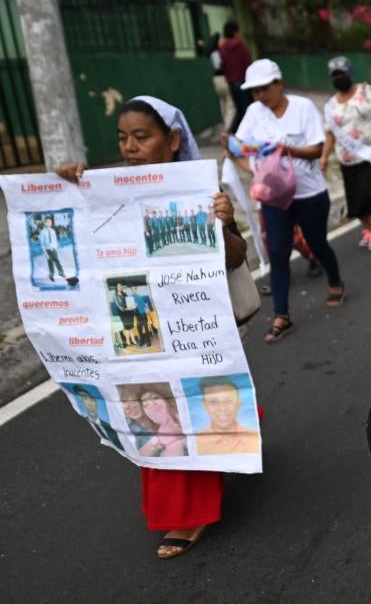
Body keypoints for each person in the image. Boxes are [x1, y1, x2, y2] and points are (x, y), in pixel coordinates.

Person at [56, 95, 248, 559]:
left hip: (192, 326)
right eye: (123, 138)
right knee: (156, 411)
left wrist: (221, 223)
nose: (130, 147)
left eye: (142, 136)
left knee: (193, 404)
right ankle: (184, 499)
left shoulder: (201, 188)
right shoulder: (103, 190)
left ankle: (191, 514)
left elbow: (236, 257)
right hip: (137, 330)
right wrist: (66, 189)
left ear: (173, 139)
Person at [228, 58, 345, 342]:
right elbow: (239, 147)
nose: (258, 96)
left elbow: (317, 149)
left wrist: (284, 150)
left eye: (263, 89)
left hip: (309, 193)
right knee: (278, 252)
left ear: (279, 83)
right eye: (253, 91)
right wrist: (245, 161)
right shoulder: (254, 112)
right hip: (273, 196)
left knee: (317, 242)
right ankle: (281, 314)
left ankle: (335, 280)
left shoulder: (302, 107)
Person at [320, 56, 371, 251]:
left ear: (350, 73)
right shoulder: (330, 106)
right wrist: (324, 158)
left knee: (369, 194)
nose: (339, 78)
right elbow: (330, 134)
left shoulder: (366, 91)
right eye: (335, 75)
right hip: (347, 160)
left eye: (342, 73)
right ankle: (367, 229)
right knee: (355, 198)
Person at [194, 376, 261, 455]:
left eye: (228, 401)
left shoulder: (254, 439)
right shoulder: (195, 442)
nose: (222, 408)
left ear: (239, 403)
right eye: (213, 402)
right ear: (204, 405)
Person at [219, 20, 253, 134]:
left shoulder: (222, 48)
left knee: (239, 110)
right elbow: (248, 63)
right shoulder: (241, 46)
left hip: (232, 84)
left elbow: (222, 65)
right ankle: (238, 132)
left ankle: (232, 132)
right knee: (247, 110)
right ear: (235, 32)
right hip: (243, 82)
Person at [75, 385, 124, 451]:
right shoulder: (90, 420)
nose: (89, 403)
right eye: (85, 398)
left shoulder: (111, 425)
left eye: (92, 399)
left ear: (96, 402)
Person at [141, 390, 188, 457]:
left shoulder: (186, 415)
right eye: (146, 405)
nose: (152, 404)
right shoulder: (157, 436)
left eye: (155, 398)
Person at [207, 32, 235, 132]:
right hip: (222, 78)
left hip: (216, 80)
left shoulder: (211, 53)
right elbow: (220, 65)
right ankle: (227, 127)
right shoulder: (218, 53)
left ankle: (225, 124)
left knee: (223, 103)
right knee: (231, 104)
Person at [39, 215, 66, 282]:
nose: (49, 223)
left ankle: (61, 272)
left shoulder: (53, 231)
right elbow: (42, 244)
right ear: (44, 223)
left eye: (50, 222)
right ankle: (51, 275)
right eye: (48, 222)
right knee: (50, 263)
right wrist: (45, 254)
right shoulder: (42, 232)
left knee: (57, 261)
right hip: (48, 250)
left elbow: (55, 240)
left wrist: (56, 248)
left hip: (53, 249)